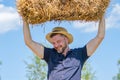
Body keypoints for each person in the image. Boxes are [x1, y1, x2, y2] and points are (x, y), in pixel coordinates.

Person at [23, 15, 105, 80]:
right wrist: (24, 19)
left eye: (58, 41)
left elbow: (100, 37)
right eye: (53, 43)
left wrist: (102, 14)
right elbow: (28, 42)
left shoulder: (80, 54)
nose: (56, 45)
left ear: (66, 39)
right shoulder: (49, 55)